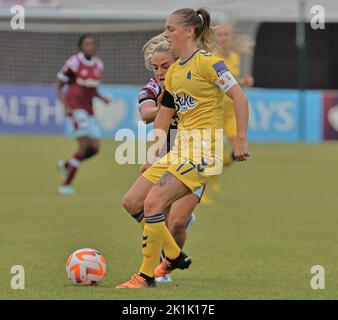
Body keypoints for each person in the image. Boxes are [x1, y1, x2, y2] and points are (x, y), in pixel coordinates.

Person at [116, 7, 249, 289]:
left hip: (203, 152)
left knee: (155, 204)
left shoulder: (211, 64)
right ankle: (174, 256)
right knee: (132, 200)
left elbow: (239, 98)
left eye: (171, 29)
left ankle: (146, 276)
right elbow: (163, 116)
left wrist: (239, 139)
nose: (167, 34)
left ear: (189, 31)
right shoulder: (175, 73)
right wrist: (153, 156)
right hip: (178, 153)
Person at [132, 34, 205, 282]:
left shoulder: (191, 83)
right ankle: (161, 262)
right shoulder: (151, 89)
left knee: (176, 222)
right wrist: (165, 106)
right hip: (164, 159)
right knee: (150, 212)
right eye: (155, 67)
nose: (160, 72)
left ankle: (165, 267)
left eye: (165, 66)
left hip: (193, 159)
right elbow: (145, 114)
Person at [55, 34, 110, 195]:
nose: (89, 46)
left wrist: (101, 97)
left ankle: (66, 166)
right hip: (76, 108)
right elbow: (58, 85)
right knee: (85, 147)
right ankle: (65, 185)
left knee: (95, 148)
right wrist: (66, 106)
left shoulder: (99, 64)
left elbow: (91, 88)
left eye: (92, 44)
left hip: (89, 109)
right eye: (86, 43)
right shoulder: (74, 62)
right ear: (80, 46)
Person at [214, 23, 254, 166]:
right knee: (211, 155)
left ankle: (219, 168)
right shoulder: (212, 59)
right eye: (220, 34)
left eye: (226, 34)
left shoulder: (235, 57)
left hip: (231, 113)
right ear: (215, 38)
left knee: (239, 150)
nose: (223, 38)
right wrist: (242, 81)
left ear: (230, 37)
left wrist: (243, 81)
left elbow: (233, 83)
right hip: (215, 113)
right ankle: (209, 171)